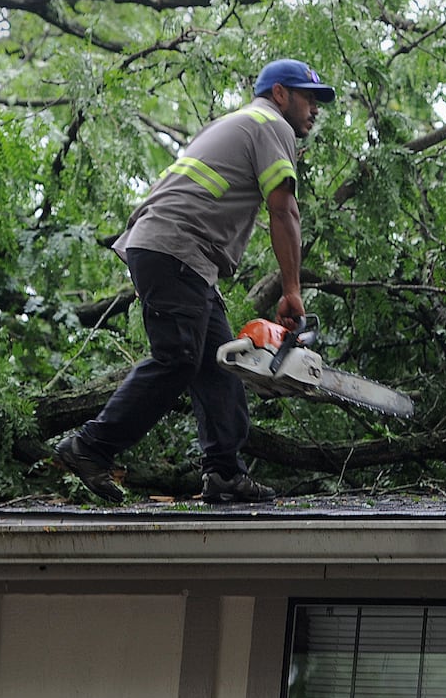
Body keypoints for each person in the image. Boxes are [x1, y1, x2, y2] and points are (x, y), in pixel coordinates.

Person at [54, 59, 335, 504]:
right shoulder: (270, 123)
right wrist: (292, 291)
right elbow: (284, 211)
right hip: (175, 249)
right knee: (178, 359)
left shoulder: (239, 123)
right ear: (280, 94)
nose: (315, 109)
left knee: (216, 363)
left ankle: (225, 472)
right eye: (308, 97)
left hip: (181, 254)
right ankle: (89, 448)